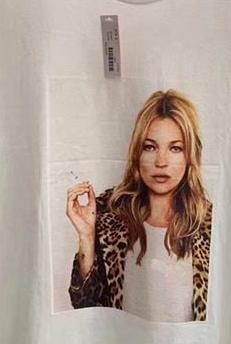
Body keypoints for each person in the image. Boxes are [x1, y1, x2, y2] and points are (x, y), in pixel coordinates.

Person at [65, 89, 213, 322]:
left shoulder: (210, 224)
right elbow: (85, 307)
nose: (161, 162)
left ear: (189, 156)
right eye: (150, 147)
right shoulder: (109, 213)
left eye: (175, 148)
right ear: (137, 152)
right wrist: (87, 237)